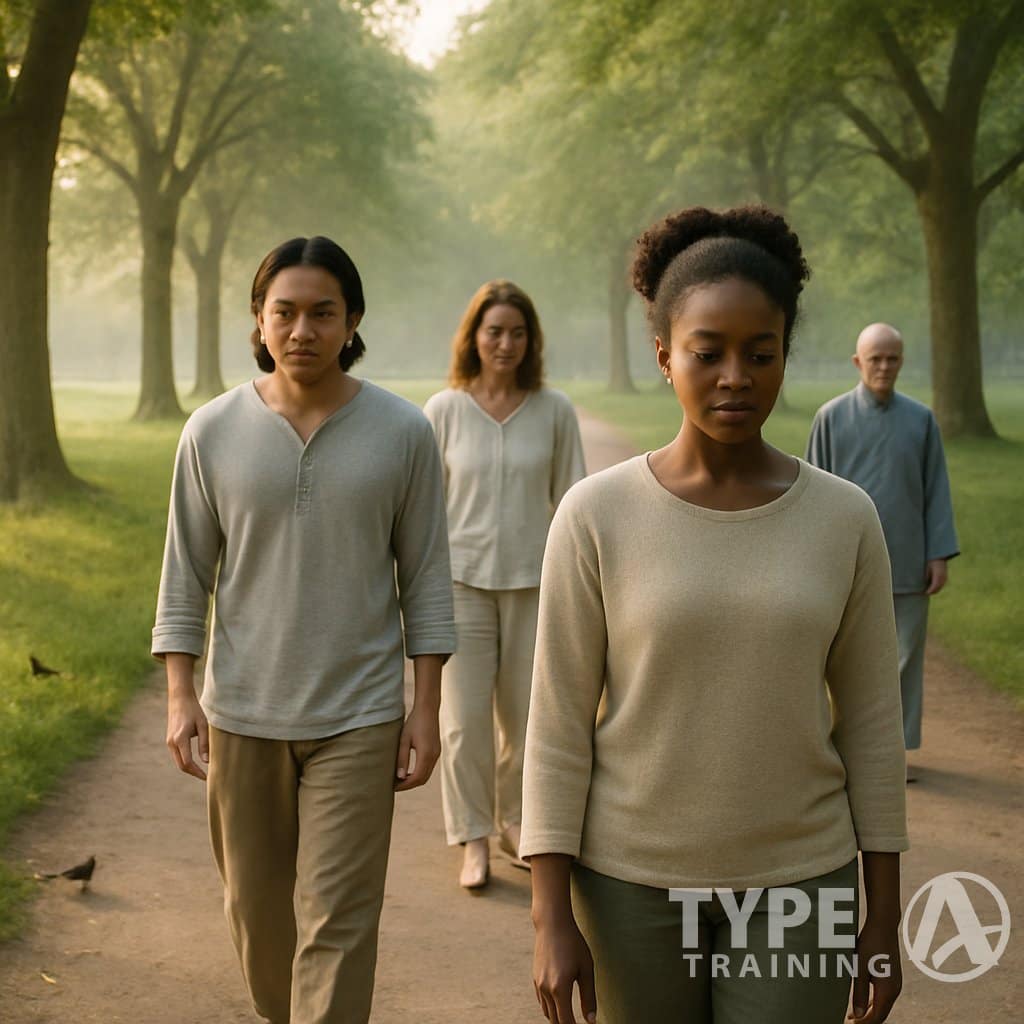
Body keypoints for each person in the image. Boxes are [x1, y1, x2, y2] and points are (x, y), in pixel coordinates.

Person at [521, 207, 908, 1024]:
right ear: (665, 357)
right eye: (708, 353)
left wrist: (883, 912)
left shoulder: (845, 519)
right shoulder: (595, 516)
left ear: (783, 356)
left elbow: (873, 723)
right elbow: (556, 725)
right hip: (631, 884)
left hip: (804, 879)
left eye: (759, 354)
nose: (736, 375)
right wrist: (549, 914)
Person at [152, 236, 455, 1024]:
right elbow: (184, 574)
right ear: (258, 319)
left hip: (358, 715)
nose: (302, 330)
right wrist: (181, 694)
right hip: (243, 711)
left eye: (323, 313)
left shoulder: (402, 432)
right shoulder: (211, 431)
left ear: (351, 319)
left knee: (339, 923)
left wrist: (426, 708)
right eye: (284, 312)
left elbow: (425, 580)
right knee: (257, 917)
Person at [424, 280, 585, 890]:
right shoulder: (443, 411)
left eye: (517, 333)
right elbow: (423, 510)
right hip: (459, 585)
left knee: (525, 720)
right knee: (462, 723)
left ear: (530, 340)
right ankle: (471, 838)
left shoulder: (554, 410)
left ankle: (515, 821)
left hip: (534, 586)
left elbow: (573, 502)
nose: (506, 343)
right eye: (494, 331)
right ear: (474, 337)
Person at [806, 323, 959, 761]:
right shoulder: (830, 418)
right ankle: (842, 745)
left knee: (905, 660)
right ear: (858, 362)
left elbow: (937, 490)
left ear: (902, 362)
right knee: (841, 657)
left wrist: (938, 554)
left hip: (909, 558)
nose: (884, 367)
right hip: (846, 562)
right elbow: (814, 494)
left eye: (892, 358)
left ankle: (896, 748)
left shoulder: (922, 420)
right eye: (875, 358)